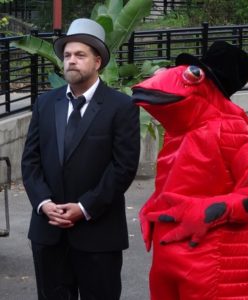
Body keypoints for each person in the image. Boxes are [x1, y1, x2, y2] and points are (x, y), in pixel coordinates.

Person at [132, 41, 248, 299]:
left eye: (193, 73)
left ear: (208, 85)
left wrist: (205, 211)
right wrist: (152, 208)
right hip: (167, 254)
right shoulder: (177, 133)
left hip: (204, 257)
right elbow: (173, 182)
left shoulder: (230, 128)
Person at [21, 18, 140, 300]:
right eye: (67, 55)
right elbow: (31, 161)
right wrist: (44, 203)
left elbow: (123, 168)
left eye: (80, 55)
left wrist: (85, 207)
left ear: (97, 62)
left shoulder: (121, 107)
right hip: (48, 233)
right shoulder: (46, 103)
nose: (71, 61)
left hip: (98, 233)